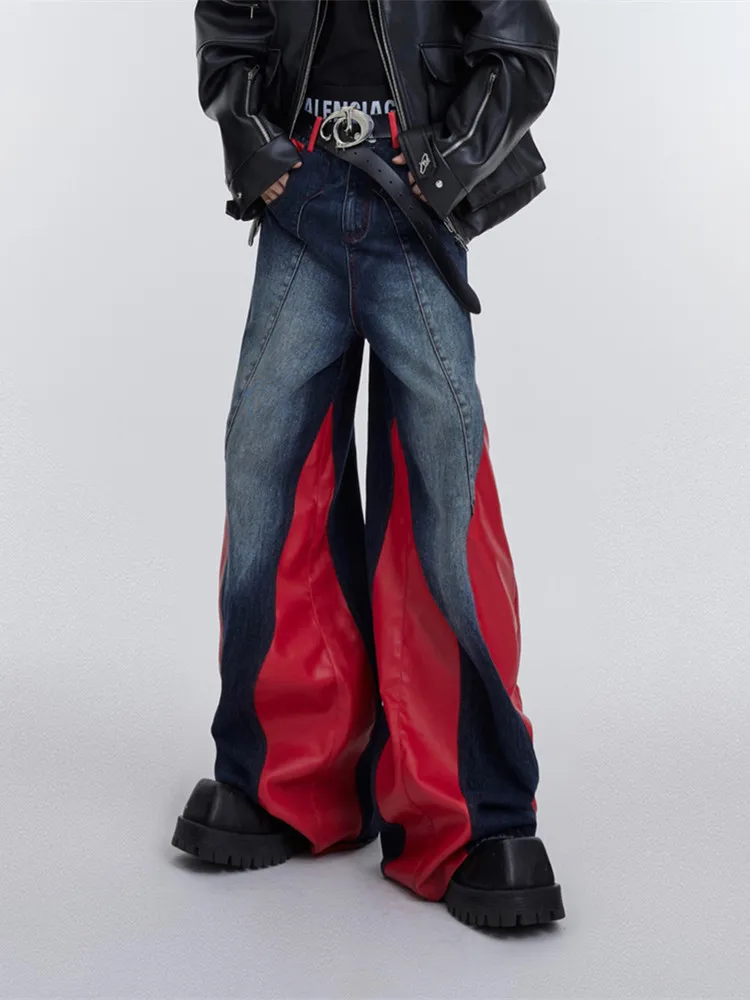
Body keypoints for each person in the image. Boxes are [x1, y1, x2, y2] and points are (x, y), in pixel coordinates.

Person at [173, 0, 563, 930]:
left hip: (412, 197)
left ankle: (471, 813)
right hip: (303, 187)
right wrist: (257, 149)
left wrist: (444, 168)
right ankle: (286, 780)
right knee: (265, 463)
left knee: (443, 481)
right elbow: (230, 27)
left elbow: (521, 48)